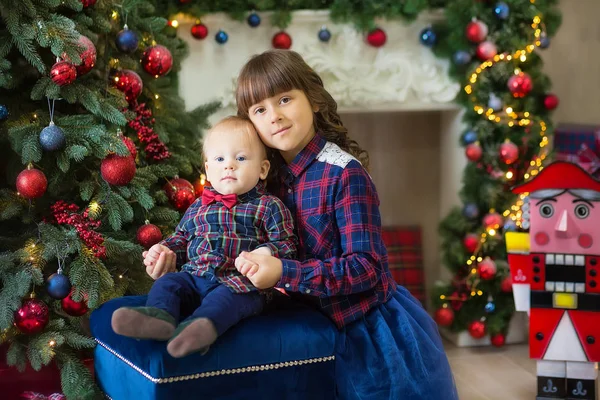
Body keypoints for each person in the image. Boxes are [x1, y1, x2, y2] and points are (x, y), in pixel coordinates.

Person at [232, 49, 458, 400]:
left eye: (285, 99)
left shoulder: (344, 174)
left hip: (362, 332)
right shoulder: (263, 178)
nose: (274, 116)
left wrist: (284, 272)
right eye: (260, 109)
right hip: (302, 332)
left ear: (315, 100)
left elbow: (365, 268)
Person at [111, 116, 296, 358]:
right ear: (209, 169)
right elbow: (181, 238)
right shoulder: (198, 206)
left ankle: (200, 329)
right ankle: (159, 319)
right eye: (220, 159)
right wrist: (163, 250)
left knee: (225, 301)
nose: (229, 165)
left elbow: (287, 245)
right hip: (194, 277)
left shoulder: (269, 206)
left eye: (240, 158)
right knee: (168, 284)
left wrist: (267, 253)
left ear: (262, 170)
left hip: (239, 283)